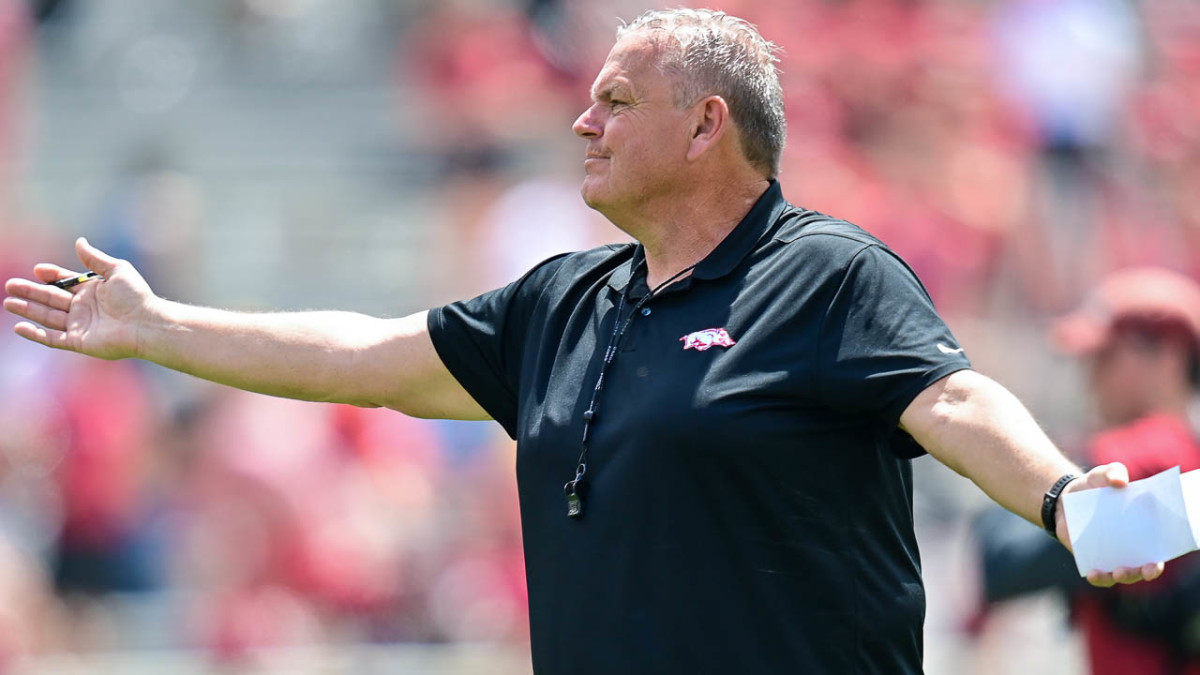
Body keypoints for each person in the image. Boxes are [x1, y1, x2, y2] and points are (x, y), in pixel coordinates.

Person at [3, 9, 1164, 674]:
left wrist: (1066, 502)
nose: (580, 118)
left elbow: (954, 403)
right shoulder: (561, 302)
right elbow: (364, 354)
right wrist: (159, 329)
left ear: (708, 124)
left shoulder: (826, 272)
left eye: (615, 98)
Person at [976, 268, 1200, 675]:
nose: (1090, 378)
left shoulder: (1151, 451)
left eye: (1105, 356)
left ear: (1168, 355)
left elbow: (1003, 557)